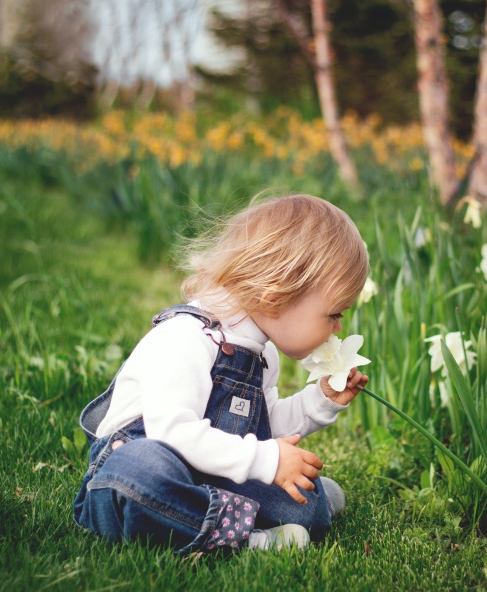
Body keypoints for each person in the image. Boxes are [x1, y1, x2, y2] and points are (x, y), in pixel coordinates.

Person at [73, 193, 370, 553]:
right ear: (276, 294)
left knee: (307, 506)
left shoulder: (262, 354)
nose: (337, 328)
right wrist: (266, 460)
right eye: (334, 314)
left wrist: (319, 401)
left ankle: (299, 505)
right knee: (141, 472)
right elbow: (172, 433)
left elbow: (263, 427)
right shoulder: (186, 337)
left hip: (209, 470)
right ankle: (246, 539)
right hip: (139, 472)